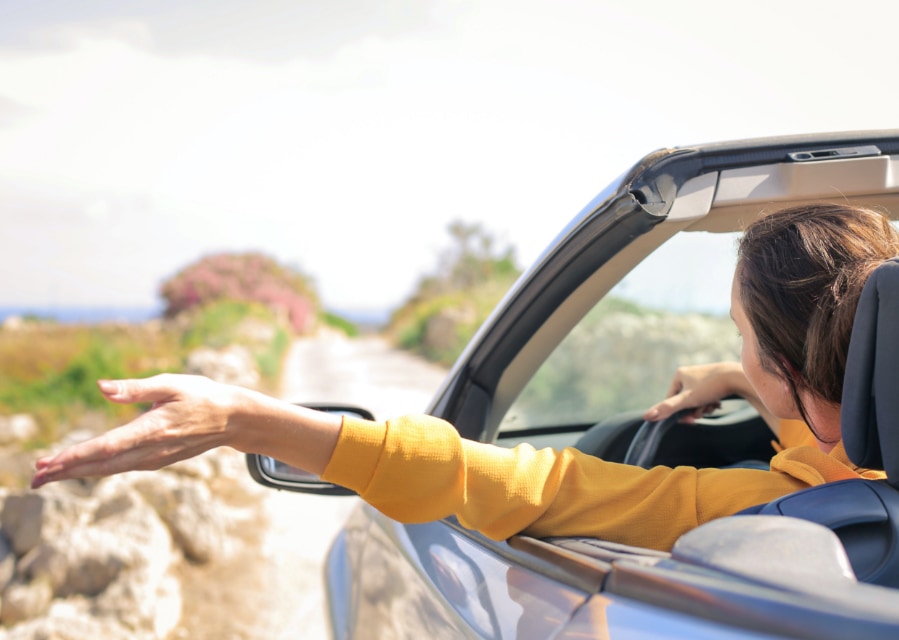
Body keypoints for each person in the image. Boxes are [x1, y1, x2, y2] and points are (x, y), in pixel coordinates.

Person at [30, 203, 897, 552]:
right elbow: (826, 417)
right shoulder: (856, 455)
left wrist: (244, 421)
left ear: (787, 369)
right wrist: (739, 377)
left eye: (742, 337)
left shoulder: (772, 514)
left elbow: (521, 479)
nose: (737, 354)